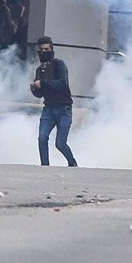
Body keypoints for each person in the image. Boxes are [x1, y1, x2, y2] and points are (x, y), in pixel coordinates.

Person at [30, 35, 78, 167]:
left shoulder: (59, 64)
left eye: (46, 49)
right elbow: (39, 94)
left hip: (64, 109)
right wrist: (34, 88)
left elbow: (62, 83)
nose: (43, 52)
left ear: (51, 50)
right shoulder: (40, 70)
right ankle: (45, 166)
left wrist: (43, 84)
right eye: (41, 50)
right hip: (49, 109)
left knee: (60, 144)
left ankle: (72, 163)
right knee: (42, 138)